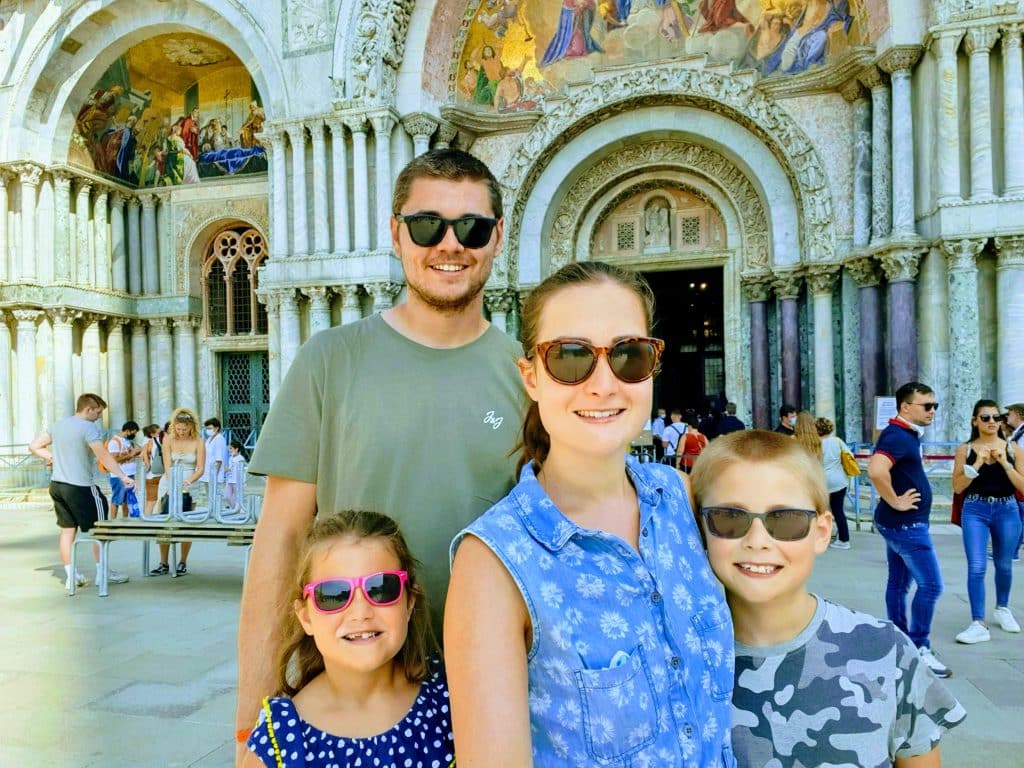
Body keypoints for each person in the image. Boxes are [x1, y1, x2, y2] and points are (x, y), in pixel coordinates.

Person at [237, 148, 525, 757]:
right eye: (428, 225)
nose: (451, 244)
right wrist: (252, 718)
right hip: (352, 693)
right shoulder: (329, 359)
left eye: (472, 227)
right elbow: (281, 540)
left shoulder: (527, 377)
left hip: (490, 695)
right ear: (397, 233)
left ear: (497, 238)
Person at [446, 261, 737, 767]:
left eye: (629, 355)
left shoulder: (679, 498)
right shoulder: (494, 564)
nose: (603, 384)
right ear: (531, 377)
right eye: (571, 357)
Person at [690, 430, 965, 767]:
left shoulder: (886, 650)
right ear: (699, 530)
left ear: (821, 533)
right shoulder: (678, 662)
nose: (757, 540)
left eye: (786, 519)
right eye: (729, 518)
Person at [240, 510, 452, 768]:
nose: (360, 612)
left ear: (409, 602)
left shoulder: (450, 699)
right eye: (334, 594)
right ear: (305, 617)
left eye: (382, 588)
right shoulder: (281, 740)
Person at [867, 382, 951, 678]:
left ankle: (900, 643)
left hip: (899, 523)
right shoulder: (898, 436)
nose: (932, 411)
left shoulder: (904, 435)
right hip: (906, 525)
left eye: (934, 406)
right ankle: (918, 646)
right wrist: (895, 500)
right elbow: (876, 469)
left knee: (899, 584)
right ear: (905, 407)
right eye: (926, 406)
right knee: (931, 586)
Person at [28, 393, 131, 591]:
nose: (99, 417)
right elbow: (104, 456)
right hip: (81, 487)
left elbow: (34, 446)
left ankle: (71, 576)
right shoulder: (89, 428)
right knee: (101, 528)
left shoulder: (57, 425)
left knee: (67, 531)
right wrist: (122, 476)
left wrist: (52, 456)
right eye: (98, 412)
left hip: (57, 486)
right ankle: (103, 573)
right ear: (89, 409)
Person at [951, 399, 1024, 644]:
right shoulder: (966, 449)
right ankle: (978, 622)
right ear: (975, 421)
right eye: (985, 418)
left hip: (1007, 509)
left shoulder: (1013, 448)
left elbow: (1022, 485)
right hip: (976, 509)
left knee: (1004, 564)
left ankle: (1002, 607)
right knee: (977, 566)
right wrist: (978, 462)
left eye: (996, 417)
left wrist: (1004, 462)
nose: (992, 422)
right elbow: (957, 486)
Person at [151, 408, 206, 576]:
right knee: (164, 520)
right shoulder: (168, 440)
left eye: (185, 429)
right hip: (170, 481)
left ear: (191, 427)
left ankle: (182, 561)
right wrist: (172, 483)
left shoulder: (198, 441)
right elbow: (167, 465)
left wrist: (189, 480)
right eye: (178, 429)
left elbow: (201, 468)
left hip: (190, 482)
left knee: (186, 522)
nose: (181, 432)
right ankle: (163, 562)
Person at [816, 416, 853, 549]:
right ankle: (844, 539)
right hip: (839, 481)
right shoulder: (837, 441)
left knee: (821, 511)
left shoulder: (817, 445)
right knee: (838, 511)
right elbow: (850, 456)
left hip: (823, 482)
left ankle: (822, 536)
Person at [106, 420, 141, 519]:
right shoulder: (114, 442)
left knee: (127, 499)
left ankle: (125, 519)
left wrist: (136, 452)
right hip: (119, 475)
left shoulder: (128, 441)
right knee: (117, 499)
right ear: (127, 431)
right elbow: (114, 459)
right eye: (133, 433)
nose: (134, 435)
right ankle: (113, 521)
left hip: (130, 474)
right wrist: (131, 454)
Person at [1004, 402, 1024, 559]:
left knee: (1019, 518)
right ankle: (1012, 550)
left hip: (1019, 480)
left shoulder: (1022, 434)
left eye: (1009, 413)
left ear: (1018, 414)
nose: (1007, 416)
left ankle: (1012, 551)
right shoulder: (1018, 432)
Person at [202, 417, 229, 502]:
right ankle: (211, 512)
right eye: (206, 428)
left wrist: (214, 474)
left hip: (214, 472)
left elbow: (219, 459)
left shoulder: (219, 439)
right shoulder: (209, 439)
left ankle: (218, 512)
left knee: (215, 495)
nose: (208, 430)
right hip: (207, 472)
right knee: (209, 496)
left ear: (217, 428)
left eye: (210, 428)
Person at [140, 423, 164, 516]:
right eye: (159, 432)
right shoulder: (161, 440)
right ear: (153, 434)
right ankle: (160, 518)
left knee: (150, 501)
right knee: (160, 500)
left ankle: (146, 519)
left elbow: (143, 454)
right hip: (160, 474)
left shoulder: (148, 442)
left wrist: (148, 466)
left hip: (150, 475)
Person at [223, 439, 248, 511]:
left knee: (238, 497)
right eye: (229, 449)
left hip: (237, 481)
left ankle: (237, 509)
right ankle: (234, 508)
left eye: (231, 448)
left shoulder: (241, 459)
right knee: (226, 496)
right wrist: (226, 470)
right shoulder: (231, 458)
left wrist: (243, 482)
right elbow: (231, 468)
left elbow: (242, 470)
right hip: (230, 480)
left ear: (236, 449)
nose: (229, 450)